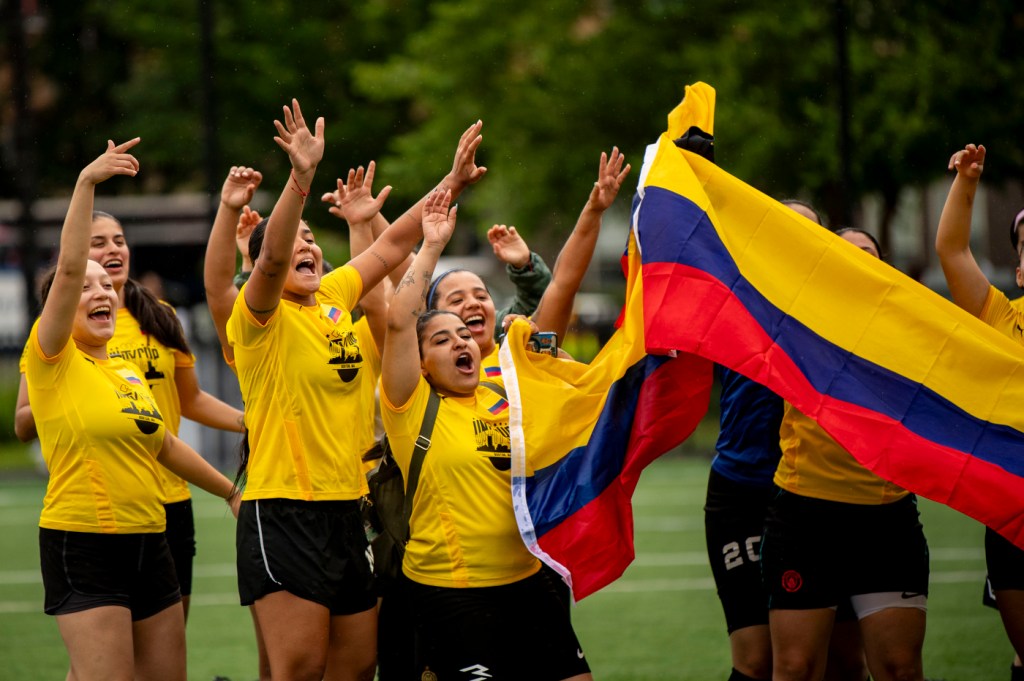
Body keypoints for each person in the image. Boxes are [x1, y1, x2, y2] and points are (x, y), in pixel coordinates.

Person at [226, 100, 489, 681]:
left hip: (348, 508)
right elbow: (270, 255)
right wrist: (301, 177)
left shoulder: (332, 301)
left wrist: (450, 183)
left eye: (313, 240)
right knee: (299, 668)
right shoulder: (259, 315)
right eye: (296, 240)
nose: (307, 247)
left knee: (356, 666)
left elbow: (393, 244)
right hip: (284, 509)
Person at [27, 138, 240, 681]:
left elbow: (166, 445)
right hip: (85, 540)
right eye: (85, 285)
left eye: (108, 286)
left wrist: (230, 491)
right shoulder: (53, 357)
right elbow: (71, 268)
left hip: (151, 537)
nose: (101, 290)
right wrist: (85, 184)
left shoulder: (126, 373)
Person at [380, 187, 592, 680]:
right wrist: (430, 245)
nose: (460, 341)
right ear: (422, 363)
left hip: (529, 582)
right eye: (441, 337)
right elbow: (396, 320)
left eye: (464, 333)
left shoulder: (507, 392)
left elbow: (559, 292)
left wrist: (595, 209)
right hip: (453, 593)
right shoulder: (410, 405)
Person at [704, 202, 868, 681]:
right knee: (758, 661)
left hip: (817, 492)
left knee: (842, 659)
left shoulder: (835, 308)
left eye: (807, 230)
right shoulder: (735, 289)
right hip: (743, 489)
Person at [761, 228, 930, 681]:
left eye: (869, 254)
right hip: (805, 516)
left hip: (886, 519)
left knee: (899, 668)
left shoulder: (909, 323)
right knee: (797, 668)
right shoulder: (795, 315)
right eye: (846, 254)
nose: (858, 261)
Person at [935, 143, 1024, 681]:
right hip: (1014, 520)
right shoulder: (1002, 320)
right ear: (1019, 269)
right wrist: (967, 182)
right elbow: (951, 251)